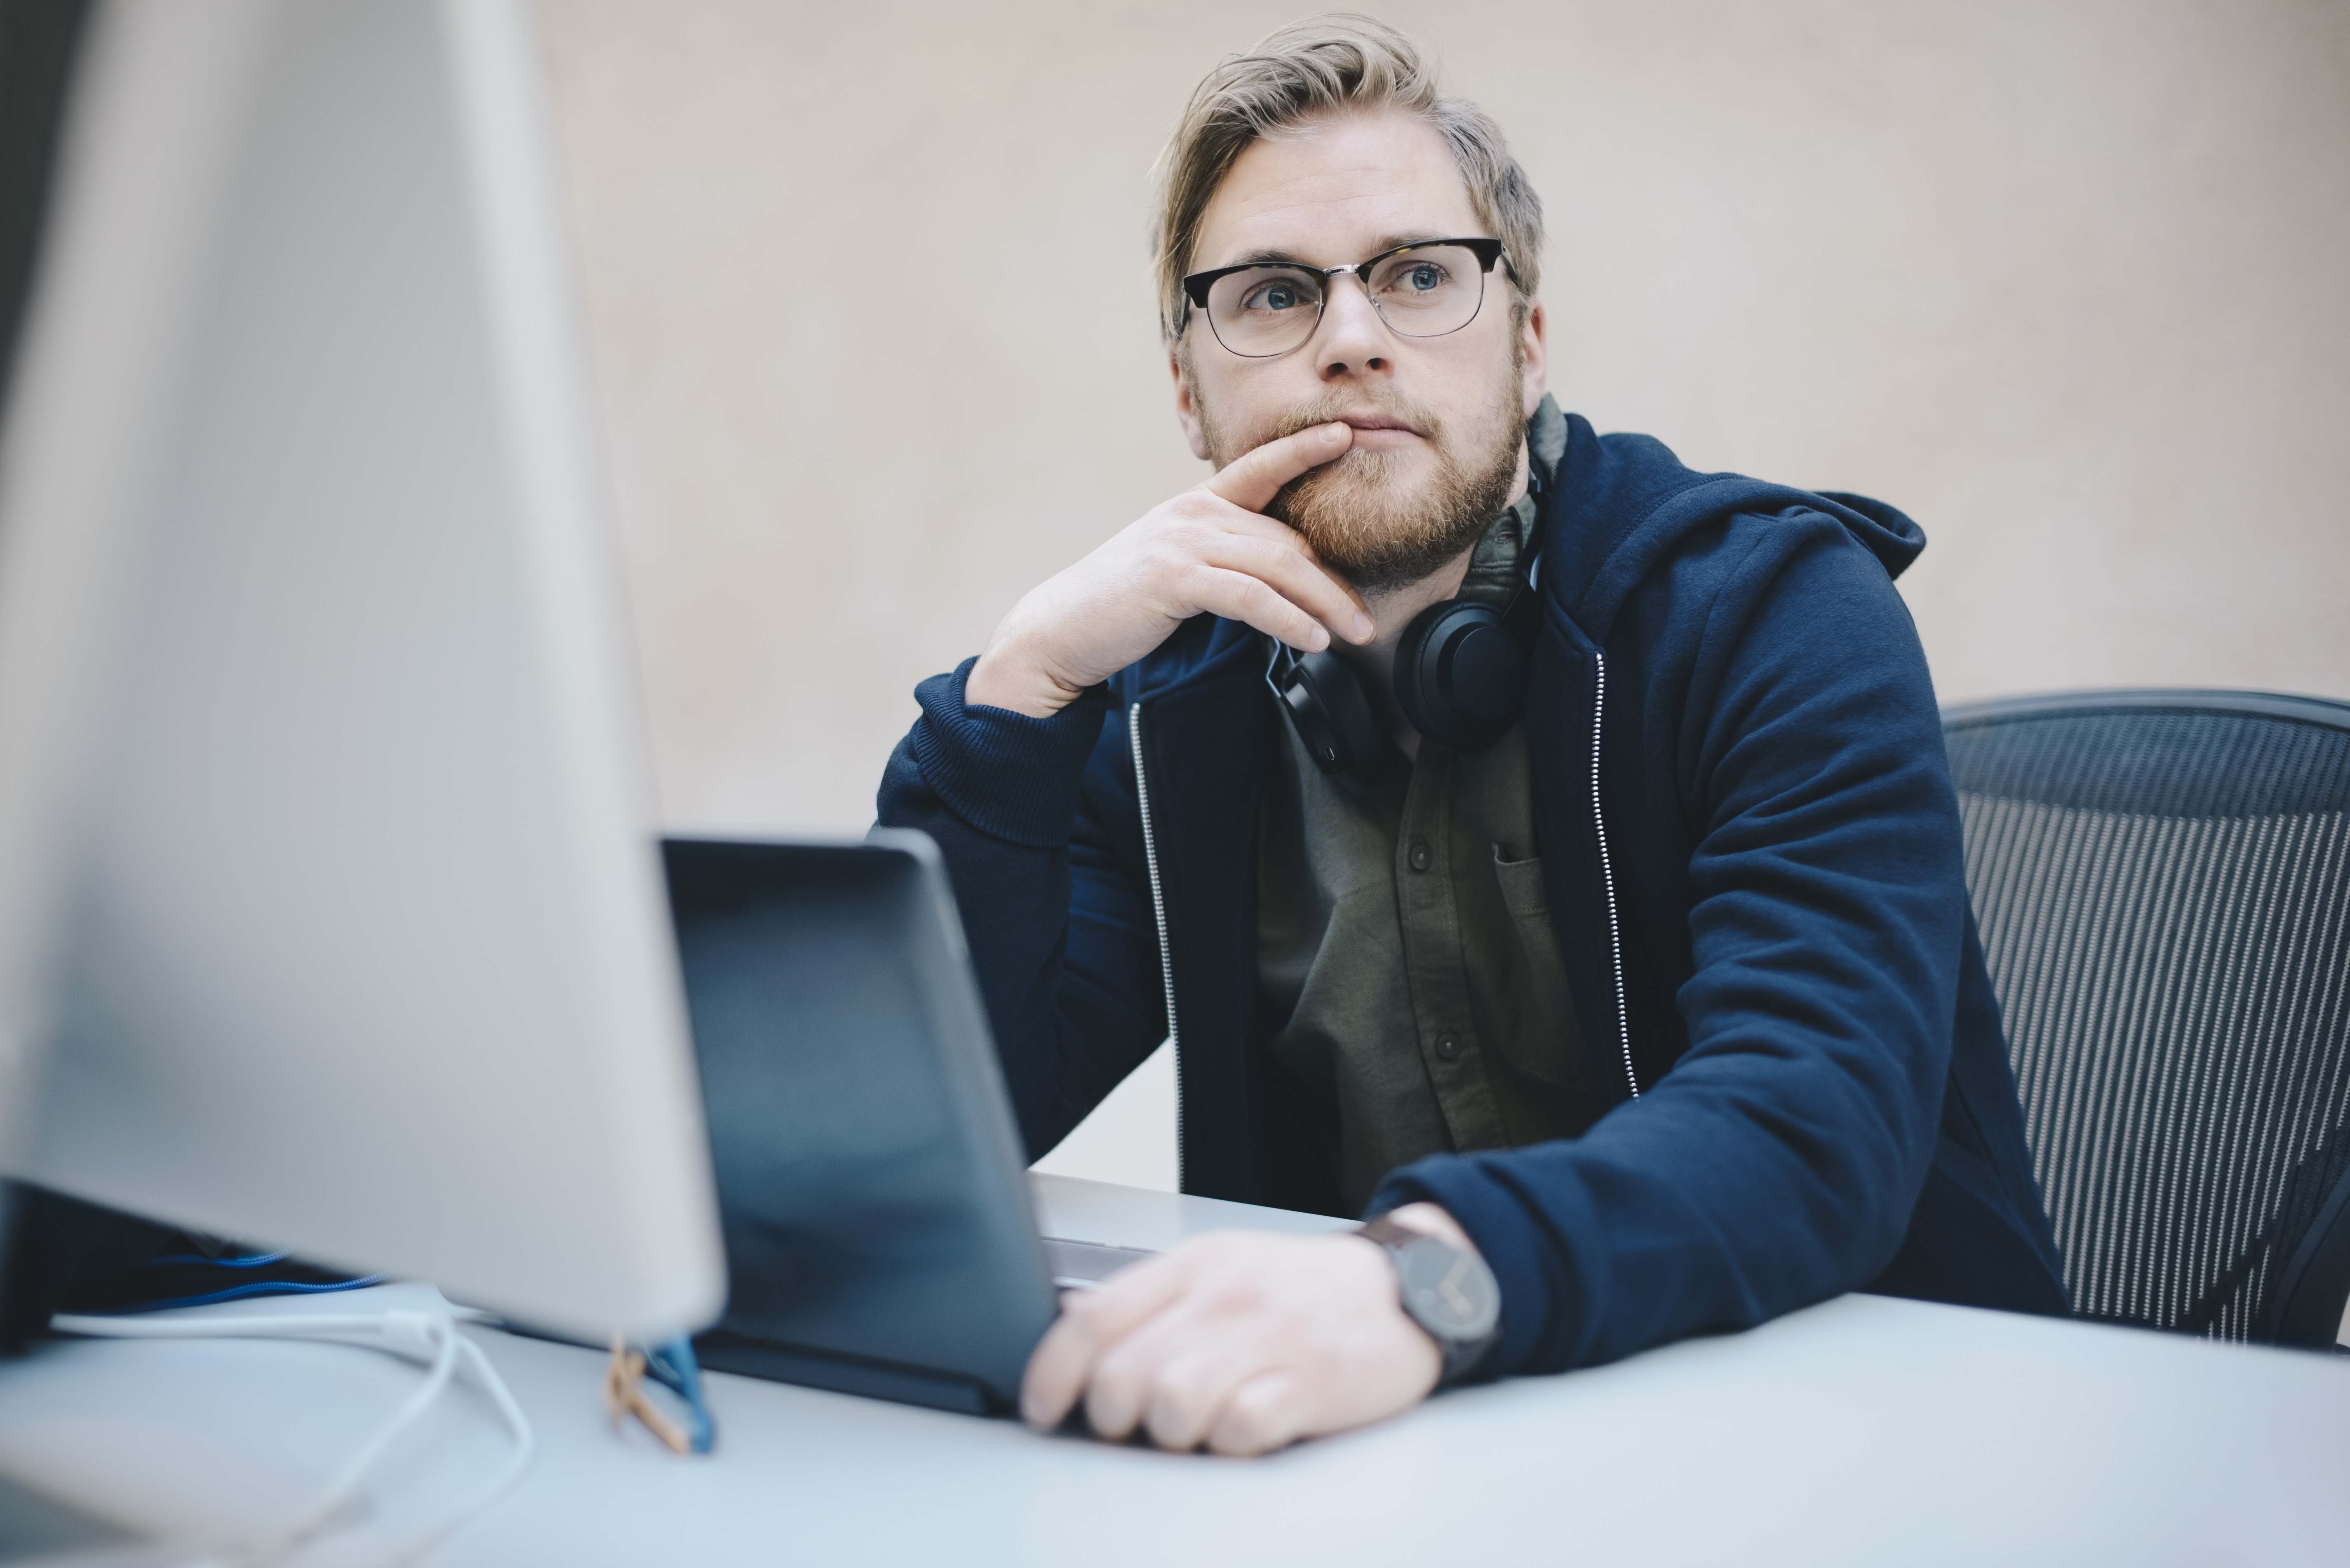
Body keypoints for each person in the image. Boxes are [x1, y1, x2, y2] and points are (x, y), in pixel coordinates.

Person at [876, 14, 2066, 1456]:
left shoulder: (1773, 615)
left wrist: (1418, 1285)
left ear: (1528, 338)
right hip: (1404, 1465)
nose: (1353, 339)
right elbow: (931, 1131)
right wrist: (1021, 690)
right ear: (1188, 396)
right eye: (1269, 296)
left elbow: (1811, 1113)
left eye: (1420, 276)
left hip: (1857, 1446)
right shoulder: (1161, 706)